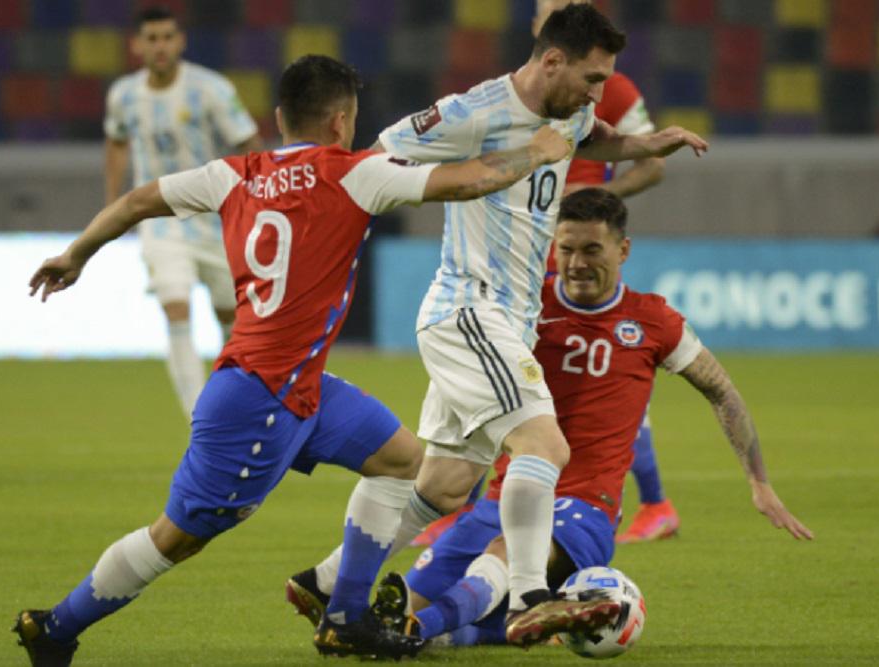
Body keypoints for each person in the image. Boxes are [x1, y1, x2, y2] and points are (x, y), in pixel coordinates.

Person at [15, 54, 573, 665]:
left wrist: (76, 254)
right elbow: (470, 179)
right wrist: (539, 152)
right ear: (342, 120)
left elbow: (138, 199)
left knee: (400, 460)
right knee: (177, 538)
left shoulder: (232, 174)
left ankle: (345, 618)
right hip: (257, 399)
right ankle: (57, 625)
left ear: (280, 118)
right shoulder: (356, 173)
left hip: (297, 383)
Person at [287, 3, 708, 647]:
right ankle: (530, 596)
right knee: (545, 446)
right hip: (470, 310)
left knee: (448, 485)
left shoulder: (570, 112)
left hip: (505, 321)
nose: (599, 93)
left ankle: (325, 581)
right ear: (551, 61)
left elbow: (593, 137)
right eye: (592, 79)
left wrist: (647, 143)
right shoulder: (471, 112)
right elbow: (373, 159)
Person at [371, 188, 816, 647]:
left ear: (623, 250)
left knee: (502, 558)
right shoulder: (524, 307)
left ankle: (418, 631)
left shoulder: (653, 321)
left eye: (591, 250)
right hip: (506, 496)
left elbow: (722, 391)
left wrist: (759, 482)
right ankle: (431, 631)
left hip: (584, 507)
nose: (577, 263)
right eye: (566, 249)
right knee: (413, 607)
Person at [410, 0, 673, 549]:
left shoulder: (609, 88)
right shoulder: (510, 98)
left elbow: (646, 162)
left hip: (577, 247)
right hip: (522, 258)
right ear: (541, 33)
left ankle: (650, 501)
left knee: (597, 372)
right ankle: (461, 507)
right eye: (546, 8)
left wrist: (597, 197)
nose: (595, 89)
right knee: (517, 384)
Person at [104, 6, 264, 419]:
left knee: (230, 317)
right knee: (175, 305)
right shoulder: (123, 95)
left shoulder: (210, 89)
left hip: (213, 219)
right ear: (137, 45)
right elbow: (117, 142)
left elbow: (248, 140)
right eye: (152, 38)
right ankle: (198, 416)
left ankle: (234, 403)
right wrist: (113, 205)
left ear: (180, 41)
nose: (160, 46)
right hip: (158, 223)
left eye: (167, 37)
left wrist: (259, 201)